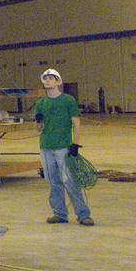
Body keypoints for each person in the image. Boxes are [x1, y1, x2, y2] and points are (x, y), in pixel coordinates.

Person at [34, 68, 94, 226]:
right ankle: (60, 214)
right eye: (45, 78)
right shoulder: (40, 103)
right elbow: (39, 129)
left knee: (70, 181)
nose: (48, 80)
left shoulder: (68, 100)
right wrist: (38, 121)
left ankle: (83, 214)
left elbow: (76, 122)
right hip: (46, 147)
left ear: (58, 81)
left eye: (51, 78)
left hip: (63, 148)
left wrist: (75, 143)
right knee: (54, 182)